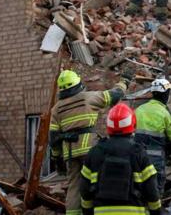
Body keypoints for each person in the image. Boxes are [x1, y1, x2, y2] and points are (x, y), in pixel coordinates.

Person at [49, 70, 126, 215]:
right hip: (89, 149)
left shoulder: (56, 109)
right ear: (77, 83)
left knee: (74, 187)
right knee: (96, 181)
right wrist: (124, 82)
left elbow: (53, 138)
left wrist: (56, 157)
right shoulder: (88, 98)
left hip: (70, 153)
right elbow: (115, 95)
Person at [80, 104, 161, 215]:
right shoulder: (139, 153)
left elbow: (84, 190)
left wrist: (87, 212)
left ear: (109, 125)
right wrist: (156, 212)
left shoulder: (95, 152)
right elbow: (152, 189)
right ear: (132, 123)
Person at [134, 78, 171, 194]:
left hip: (135, 156)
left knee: (136, 187)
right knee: (155, 190)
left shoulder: (139, 110)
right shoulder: (165, 113)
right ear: (165, 94)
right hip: (154, 160)